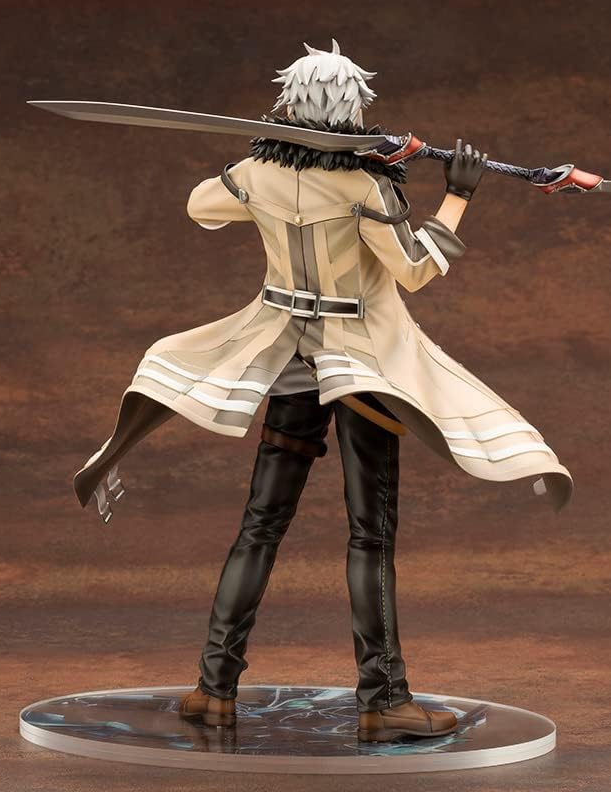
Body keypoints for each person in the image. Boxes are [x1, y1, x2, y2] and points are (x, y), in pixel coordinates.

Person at [72, 40, 572, 742]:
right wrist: (457, 197)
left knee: (261, 525)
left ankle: (215, 689)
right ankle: (384, 700)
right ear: (353, 111)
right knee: (370, 533)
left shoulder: (259, 174)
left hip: (291, 362)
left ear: (289, 104)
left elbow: (200, 205)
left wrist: (264, 161)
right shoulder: (365, 189)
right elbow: (416, 269)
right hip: (361, 370)